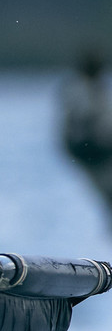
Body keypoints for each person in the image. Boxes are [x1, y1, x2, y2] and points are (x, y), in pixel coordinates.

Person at [61, 50, 112, 219]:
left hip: (92, 151)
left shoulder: (79, 87)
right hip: (95, 152)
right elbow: (87, 120)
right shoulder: (83, 90)